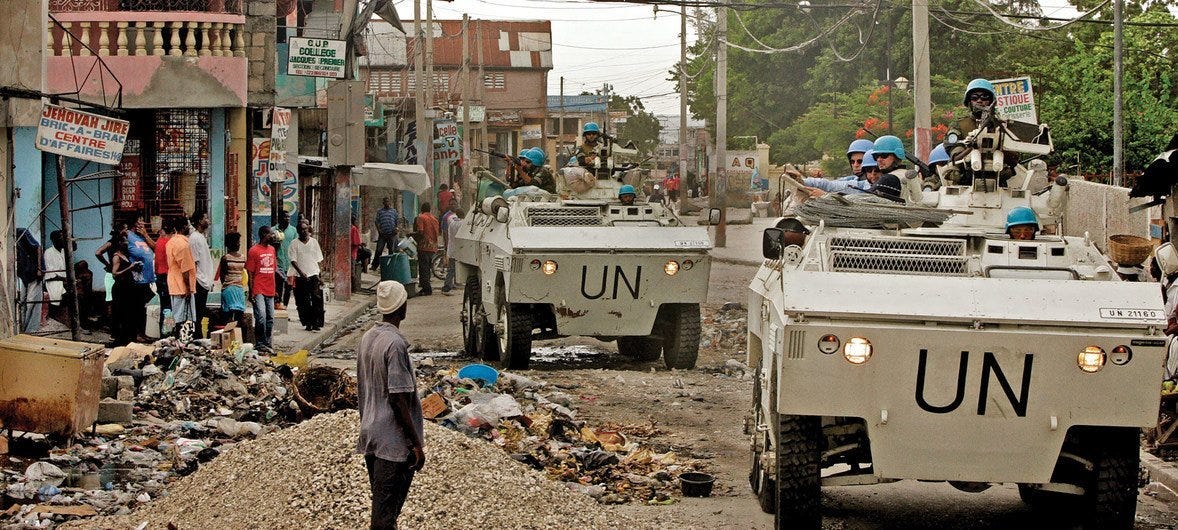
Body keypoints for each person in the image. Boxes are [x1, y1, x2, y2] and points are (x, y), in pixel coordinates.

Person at [356, 280, 424, 530]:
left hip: (371, 433)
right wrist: (415, 443)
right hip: (392, 442)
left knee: (384, 512)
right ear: (402, 306)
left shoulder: (368, 338)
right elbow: (398, 398)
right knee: (384, 518)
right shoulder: (395, 345)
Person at [246, 226, 279, 354]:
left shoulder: (272, 250)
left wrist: (275, 289)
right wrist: (251, 290)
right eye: (271, 234)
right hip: (258, 288)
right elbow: (250, 273)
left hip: (270, 288)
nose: (273, 236)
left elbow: (273, 270)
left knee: (270, 317)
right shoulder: (253, 251)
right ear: (264, 234)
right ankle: (260, 343)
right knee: (261, 316)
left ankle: (267, 342)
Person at [289, 221, 325, 331]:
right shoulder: (294, 244)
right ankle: (307, 322)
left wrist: (320, 276)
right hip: (301, 277)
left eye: (306, 229)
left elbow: (319, 259)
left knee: (316, 298)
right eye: (302, 229)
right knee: (303, 301)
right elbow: (293, 261)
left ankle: (316, 322)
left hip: (314, 274)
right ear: (298, 231)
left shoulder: (314, 242)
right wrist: (301, 273)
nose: (304, 231)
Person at [108, 233, 142, 346]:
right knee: (120, 313)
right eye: (125, 241)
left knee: (129, 313)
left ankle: (129, 338)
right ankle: (120, 339)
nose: (127, 242)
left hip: (128, 287)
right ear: (119, 243)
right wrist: (130, 268)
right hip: (120, 288)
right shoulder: (116, 256)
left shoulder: (125, 255)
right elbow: (114, 274)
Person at [126, 217, 157, 342]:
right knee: (136, 308)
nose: (143, 223)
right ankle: (136, 334)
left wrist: (145, 234)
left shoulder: (142, 237)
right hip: (136, 278)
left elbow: (155, 248)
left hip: (147, 278)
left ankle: (142, 332)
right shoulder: (128, 235)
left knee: (142, 307)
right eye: (140, 221)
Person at [165, 217, 197, 339]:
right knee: (186, 317)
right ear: (184, 227)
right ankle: (184, 342)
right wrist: (188, 288)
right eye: (188, 225)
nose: (189, 228)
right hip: (182, 286)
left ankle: (179, 340)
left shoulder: (171, 242)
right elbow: (185, 270)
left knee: (177, 316)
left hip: (174, 284)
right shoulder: (183, 245)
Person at [872, 135, 922, 204]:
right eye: (876, 156)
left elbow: (867, 198)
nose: (879, 160)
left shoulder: (889, 179)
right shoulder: (905, 174)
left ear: (896, 156)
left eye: (884, 155)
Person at [188, 212, 214, 338]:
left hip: (204, 281)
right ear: (199, 221)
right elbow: (194, 262)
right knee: (197, 313)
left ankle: (198, 337)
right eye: (205, 218)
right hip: (199, 280)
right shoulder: (195, 238)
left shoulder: (201, 237)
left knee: (200, 311)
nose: (208, 220)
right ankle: (196, 338)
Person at [217, 232, 248, 330]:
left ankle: (227, 337)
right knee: (240, 316)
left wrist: (227, 284)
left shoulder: (225, 258)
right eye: (237, 242)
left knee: (227, 316)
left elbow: (222, 276)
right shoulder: (243, 258)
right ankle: (239, 338)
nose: (239, 244)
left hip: (228, 289)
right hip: (239, 290)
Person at [16, 228, 44, 333]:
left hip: (33, 273)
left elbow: (38, 247)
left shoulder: (21, 232)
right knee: (22, 302)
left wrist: (40, 268)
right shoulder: (10, 238)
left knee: (31, 302)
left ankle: (30, 329)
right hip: (24, 274)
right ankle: (23, 328)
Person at [413, 202, 440, 296]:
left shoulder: (421, 217)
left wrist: (411, 236)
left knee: (423, 268)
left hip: (424, 246)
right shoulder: (435, 219)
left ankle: (427, 289)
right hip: (433, 247)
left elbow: (420, 231)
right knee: (427, 268)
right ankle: (425, 287)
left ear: (422, 209)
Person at [154, 218, 174, 334]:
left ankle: (164, 332)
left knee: (164, 306)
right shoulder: (168, 243)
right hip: (167, 277)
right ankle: (167, 332)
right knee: (169, 307)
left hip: (160, 277)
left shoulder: (159, 241)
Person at [275, 209, 297, 310]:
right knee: (278, 286)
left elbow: (296, 246)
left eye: (288, 217)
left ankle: (285, 307)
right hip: (278, 263)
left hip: (290, 264)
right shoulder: (273, 230)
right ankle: (278, 306)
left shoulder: (293, 231)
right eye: (285, 217)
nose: (287, 219)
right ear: (280, 218)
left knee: (288, 288)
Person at [44, 230, 67, 322]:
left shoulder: (64, 251)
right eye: (61, 238)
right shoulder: (48, 252)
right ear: (54, 240)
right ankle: (57, 315)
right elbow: (51, 273)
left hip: (63, 279)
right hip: (53, 280)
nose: (63, 240)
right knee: (61, 294)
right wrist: (64, 279)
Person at [372, 197, 400, 271]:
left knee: (391, 251)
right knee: (379, 250)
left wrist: (396, 228)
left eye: (388, 201)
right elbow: (376, 222)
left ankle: (391, 267)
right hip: (382, 235)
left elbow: (397, 221)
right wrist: (379, 230)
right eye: (385, 202)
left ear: (390, 202)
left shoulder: (394, 211)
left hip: (391, 234)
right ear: (383, 203)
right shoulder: (380, 211)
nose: (387, 203)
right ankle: (374, 265)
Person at [440, 202, 461, 295]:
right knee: (454, 268)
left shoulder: (451, 222)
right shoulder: (462, 223)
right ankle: (447, 286)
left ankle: (449, 285)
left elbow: (446, 233)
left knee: (451, 268)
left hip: (452, 248)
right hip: (458, 249)